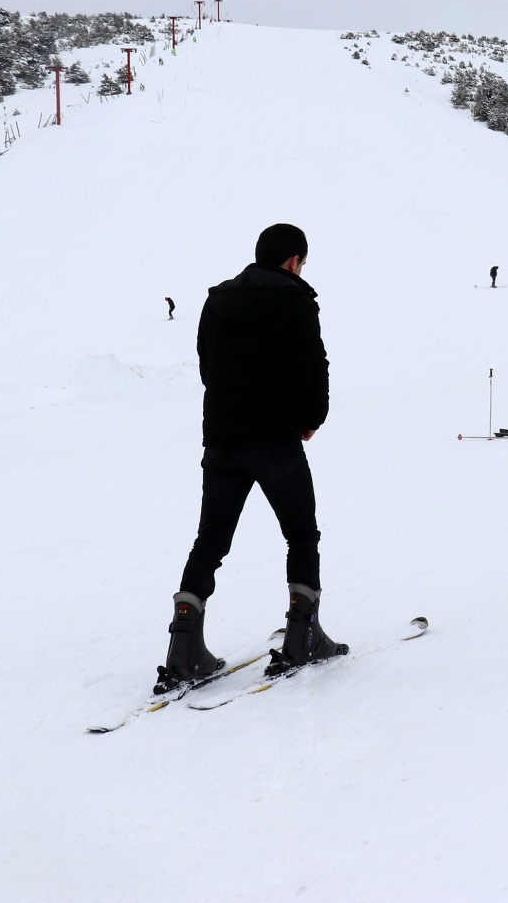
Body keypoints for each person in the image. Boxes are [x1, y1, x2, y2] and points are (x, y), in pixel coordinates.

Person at [158, 223, 341, 694]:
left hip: (222, 438)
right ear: (293, 260)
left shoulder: (216, 302)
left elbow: (206, 364)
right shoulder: (297, 303)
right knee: (301, 534)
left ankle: (183, 650)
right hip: (275, 440)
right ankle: (303, 639)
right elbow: (311, 367)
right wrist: (311, 417)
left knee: (209, 543)